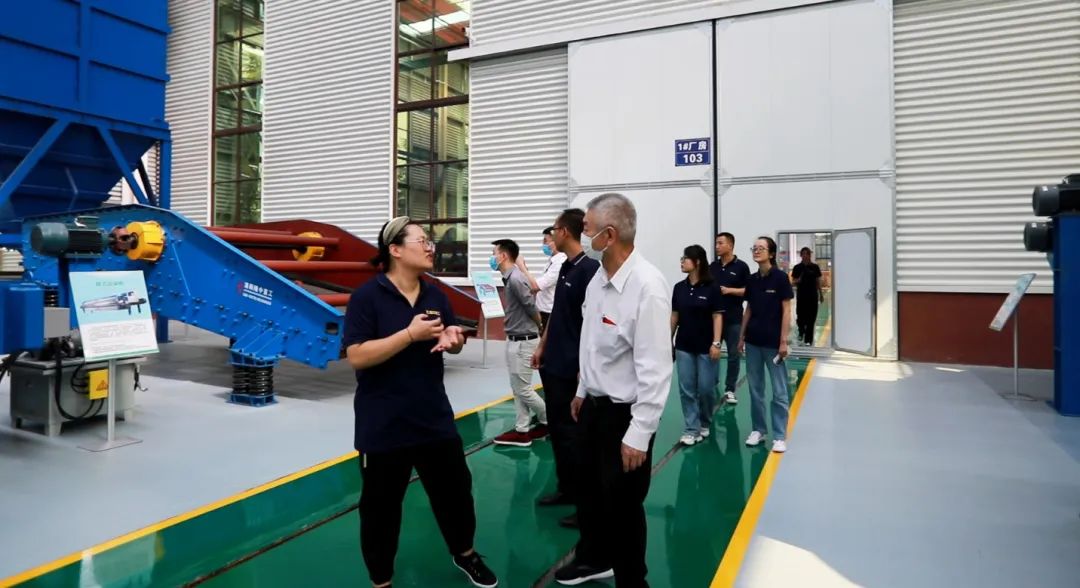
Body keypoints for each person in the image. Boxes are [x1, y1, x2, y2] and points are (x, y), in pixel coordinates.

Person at [343, 216, 498, 588]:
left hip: (432, 417)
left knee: (455, 494)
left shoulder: (435, 295)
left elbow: (447, 338)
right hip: (384, 422)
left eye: (430, 241)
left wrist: (453, 339)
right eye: (423, 240)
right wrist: (408, 335)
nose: (431, 247)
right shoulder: (367, 297)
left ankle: (465, 553)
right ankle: (381, 579)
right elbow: (357, 356)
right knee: (381, 509)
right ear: (395, 250)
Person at [555, 193, 673, 587]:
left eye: (587, 229)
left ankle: (632, 580)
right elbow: (592, 343)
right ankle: (594, 558)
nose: (582, 235)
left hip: (626, 415)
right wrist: (582, 390)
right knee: (588, 492)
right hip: (593, 407)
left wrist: (639, 433)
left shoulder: (647, 287)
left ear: (609, 235)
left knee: (622, 504)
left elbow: (656, 369)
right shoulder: (598, 281)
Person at [531, 208, 600, 529]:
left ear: (566, 232)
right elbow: (557, 313)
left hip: (574, 367)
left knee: (577, 436)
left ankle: (585, 503)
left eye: (554, 231)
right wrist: (542, 347)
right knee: (558, 431)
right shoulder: (565, 268)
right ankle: (567, 488)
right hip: (554, 363)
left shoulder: (590, 271)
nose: (550, 237)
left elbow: (592, 324)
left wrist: (585, 368)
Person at [738, 236, 794, 454]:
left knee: (779, 391)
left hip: (774, 344)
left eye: (761, 248)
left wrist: (783, 340)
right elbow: (749, 309)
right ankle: (758, 430)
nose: (756, 251)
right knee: (755, 389)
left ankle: (779, 435)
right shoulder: (752, 280)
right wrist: (741, 336)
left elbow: (787, 311)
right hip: (753, 342)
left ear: (771, 253)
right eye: (754, 248)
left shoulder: (780, 278)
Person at [490, 239, 549, 448]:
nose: (492, 258)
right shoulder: (510, 278)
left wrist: (539, 326)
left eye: (494, 253)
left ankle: (548, 418)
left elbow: (531, 307)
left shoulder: (515, 279)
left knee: (523, 389)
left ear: (503, 256)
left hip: (523, 342)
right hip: (515, 339)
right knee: (517, 387)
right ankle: (522, 430)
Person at [671, 244, 724, 446]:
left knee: (706, 388)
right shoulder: (679, 288)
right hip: (684, 345)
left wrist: (716, 343)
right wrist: (668, 340)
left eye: (685, 258)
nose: (682, 262)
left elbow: (717, 316)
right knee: (686, 389)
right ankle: (691, 429)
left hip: (706, 346)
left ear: (698, 262)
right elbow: (675, 316)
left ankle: (705, 421)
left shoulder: (712, 288)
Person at [709, 232, 750, 406]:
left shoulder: (741, 267)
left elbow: (749, 291)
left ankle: (730, 389)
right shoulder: (712, 267)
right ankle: (712, 383)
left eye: (720, 243)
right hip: (713, 320)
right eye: (716, 243)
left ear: (730, 245)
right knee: (712, 352)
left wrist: (729, 290)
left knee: (734, 355)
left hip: (733, 319)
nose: (717, 246)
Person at [517, 227, 566, 335]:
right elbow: (535, 284)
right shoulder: (551, 261)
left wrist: (521, 266)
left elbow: (536, 286)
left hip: (550, 313)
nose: (543, 244)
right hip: (542, 311)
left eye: (545, 241)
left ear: (555, 241)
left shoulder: (560, 263)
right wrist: (524, 268)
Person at [790, 246, 824, 346]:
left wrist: (821, 294)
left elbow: (818, 281)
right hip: (802, 296)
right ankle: (801, 331)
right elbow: (793, 282)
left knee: (811, 318)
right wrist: (798, 280)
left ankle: (808, 339)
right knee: (801, 317)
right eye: (803, 254)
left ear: (810, 255)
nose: (805, 256)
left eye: (807, 254)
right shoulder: (797, 267)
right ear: (801, 255)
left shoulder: (815, 267)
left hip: (812, 296)